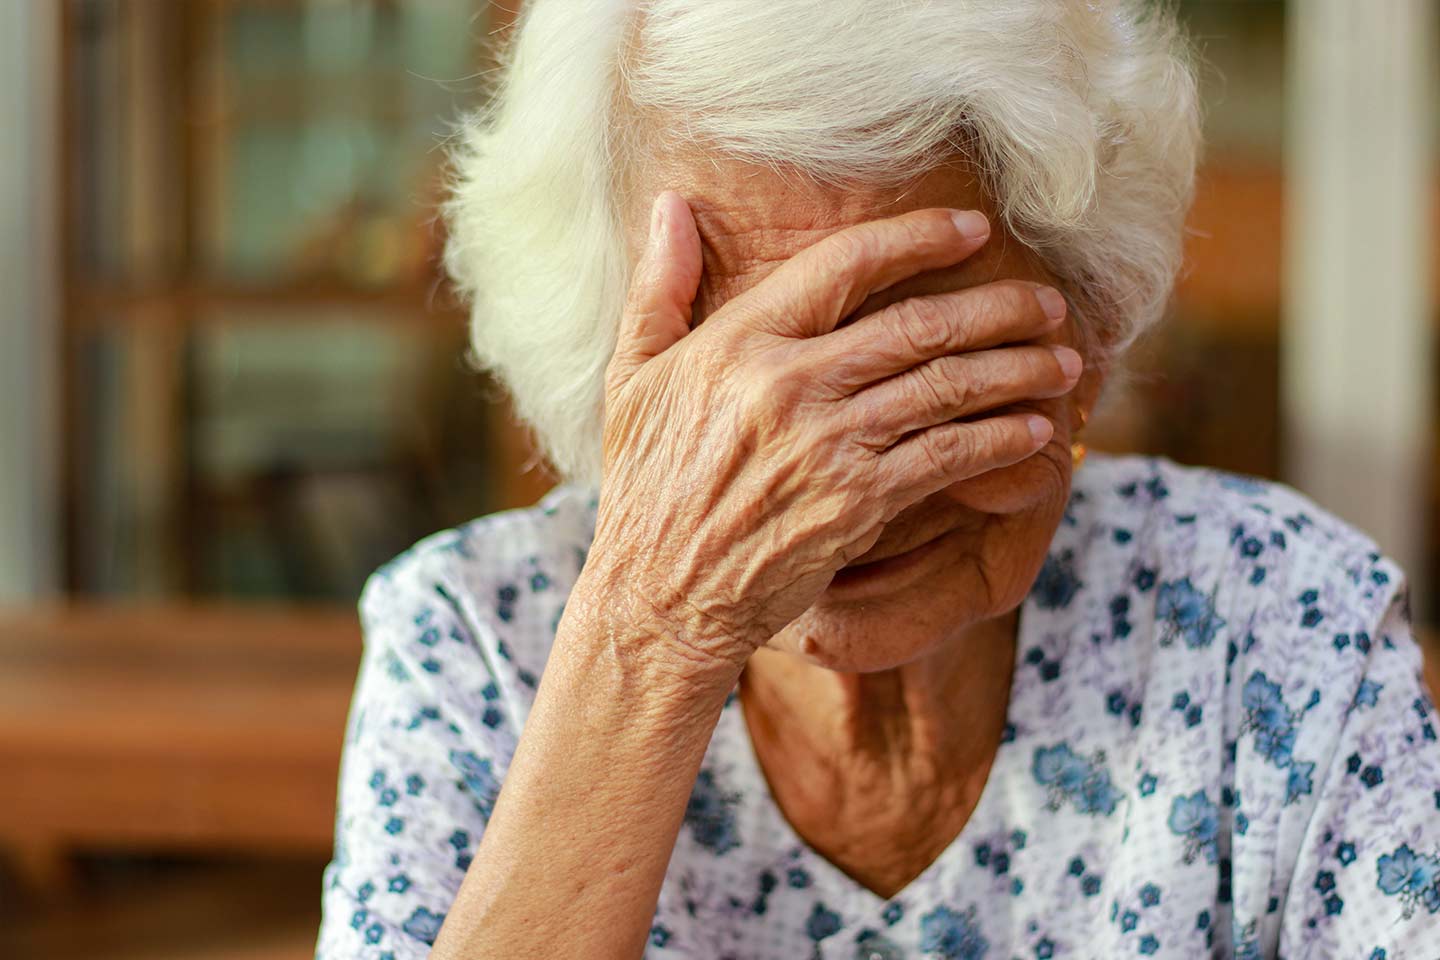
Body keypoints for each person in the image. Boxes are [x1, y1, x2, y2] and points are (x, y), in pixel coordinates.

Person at [315, 1, 1440, 957]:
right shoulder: (469, 642)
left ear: (1090, 335)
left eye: (931, 361)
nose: (843, 485)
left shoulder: (1286, 628)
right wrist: (654, 631)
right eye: (748, 388)